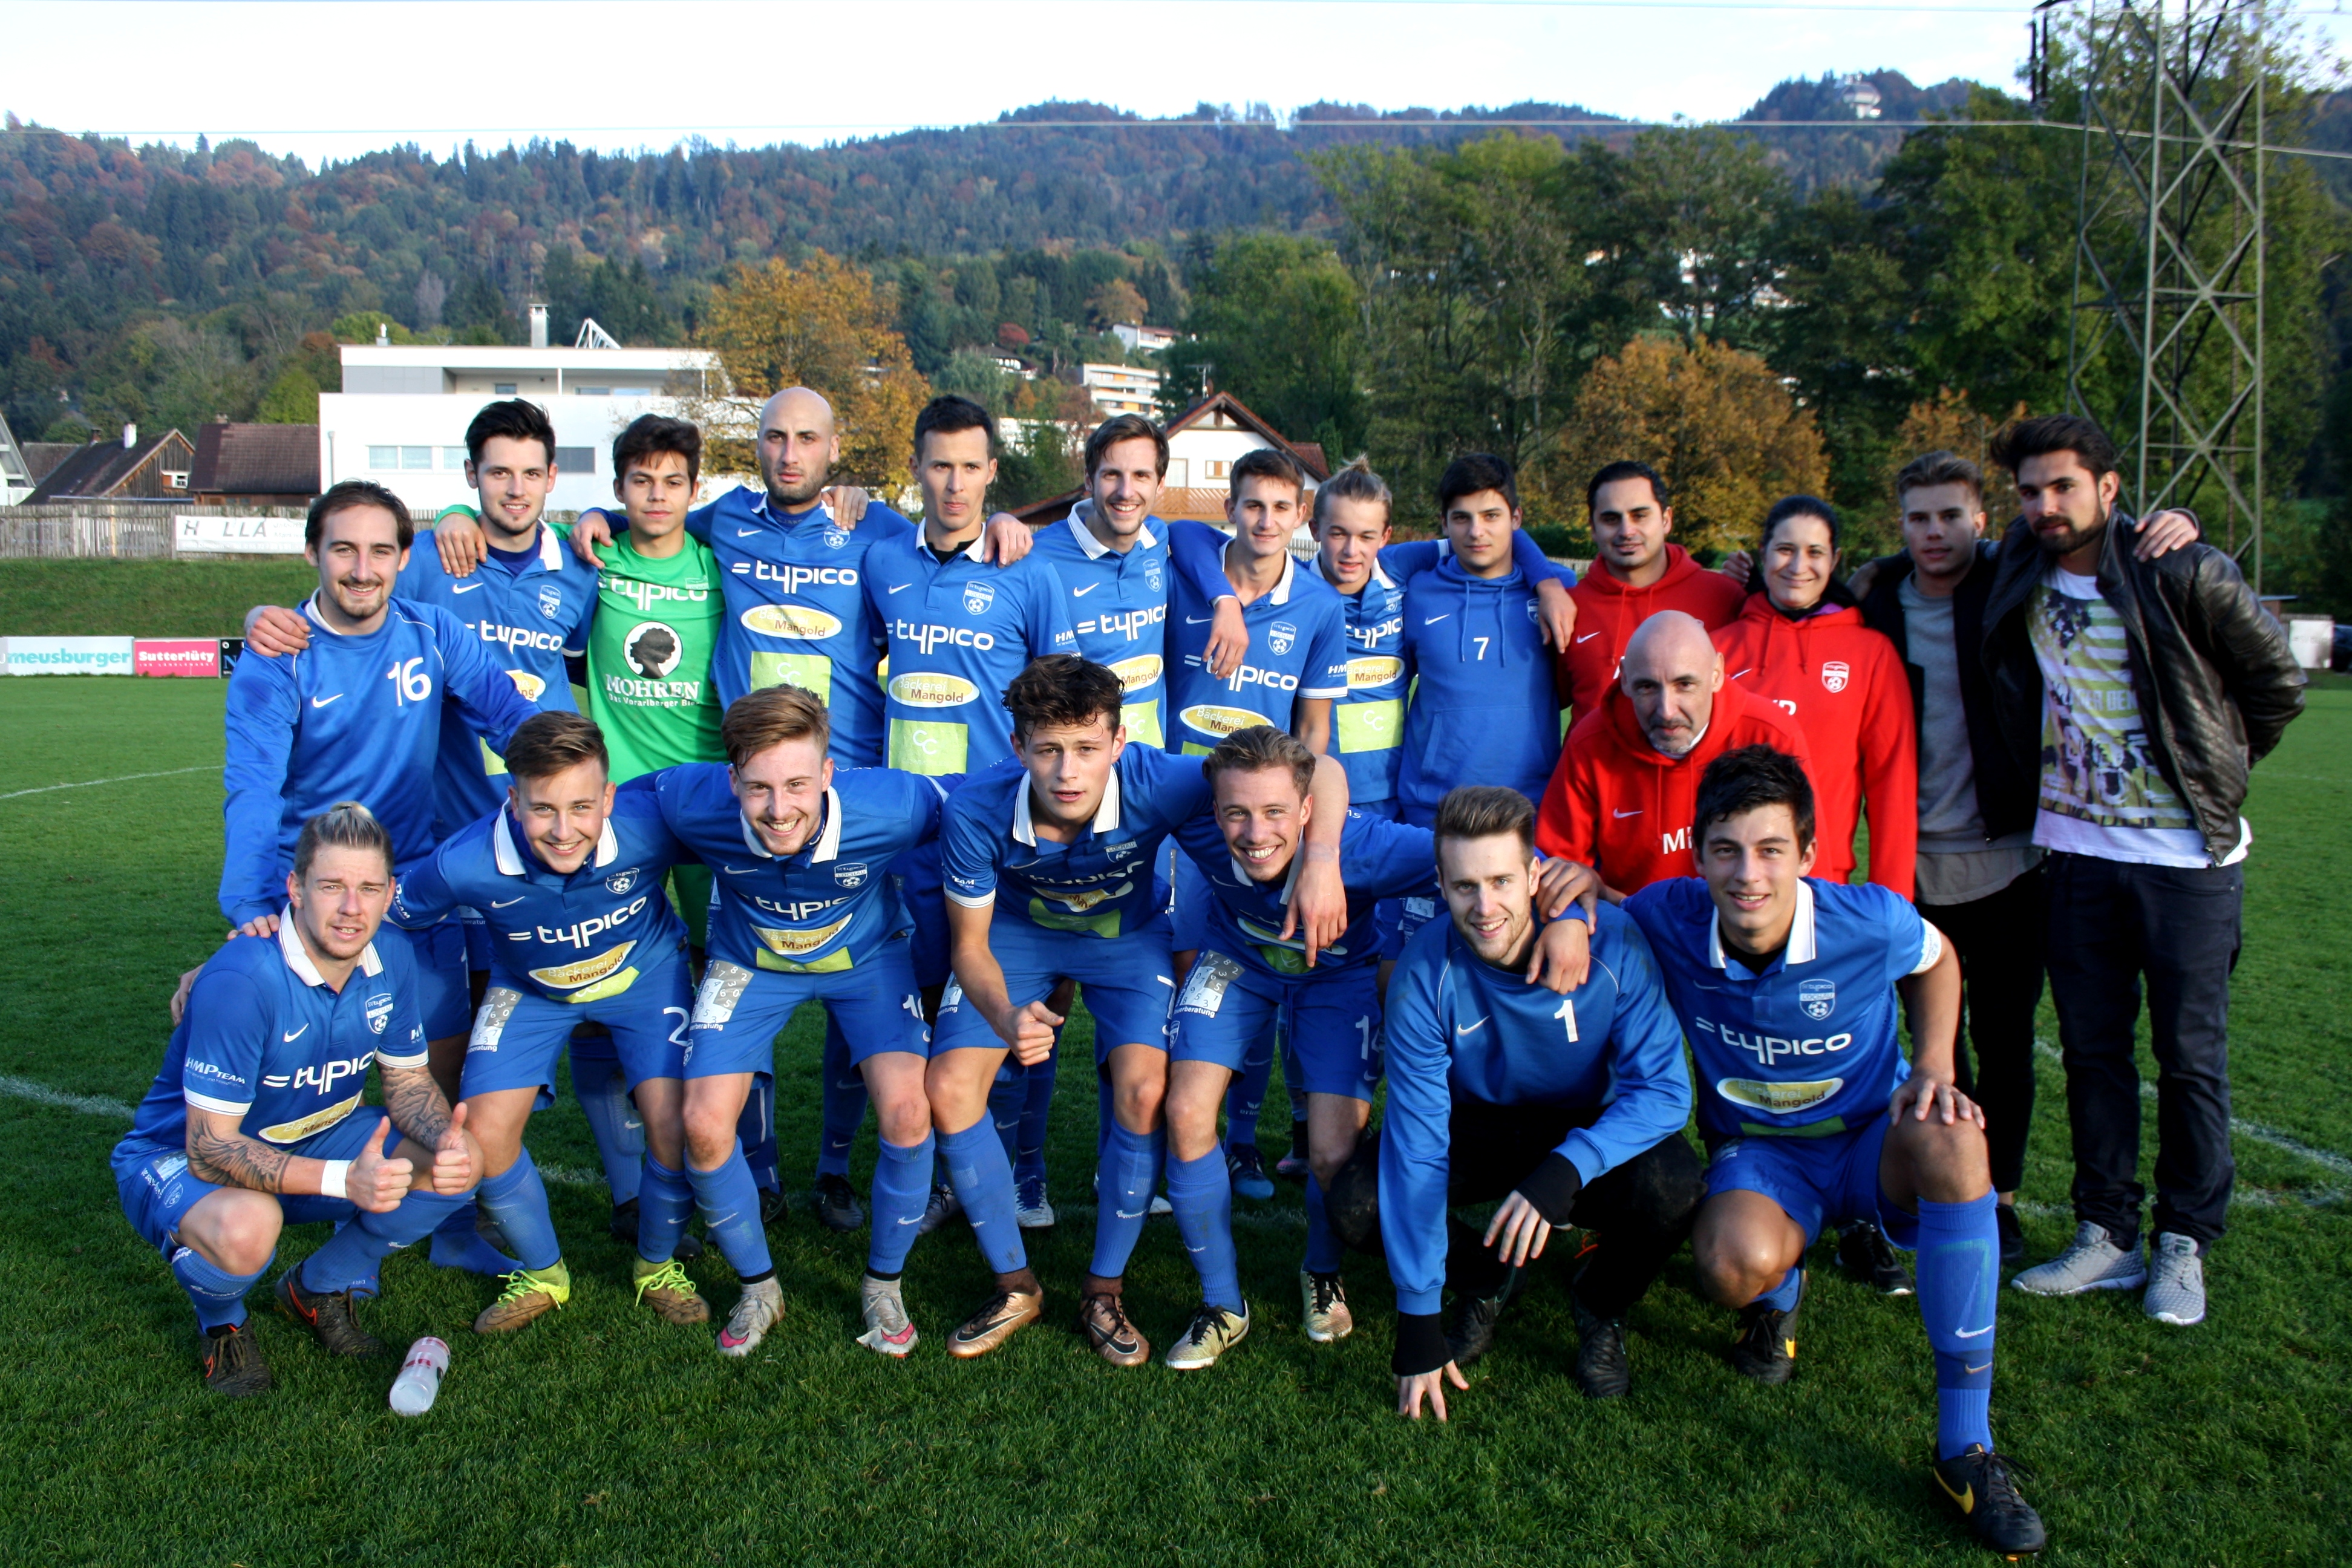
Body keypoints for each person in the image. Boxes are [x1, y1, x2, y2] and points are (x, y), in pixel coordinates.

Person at [1623, 746, 2045, 1556]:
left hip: (1870, 1142)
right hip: (1761, 1156)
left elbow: (1938, 957)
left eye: (1771, 850)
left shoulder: (1867, 920)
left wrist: (1932, 1068)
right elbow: (1600, 918)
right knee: (1724, 1267)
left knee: (1958, 1139)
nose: (1749, 874)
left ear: (1809, 855)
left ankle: (1966, 1449)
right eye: (1727, 850)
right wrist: (1571, 897)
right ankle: (1779, 1288)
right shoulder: (1664, 915)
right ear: (1698, 853)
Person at [933, 657, 1353, 1364]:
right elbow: (969, 945)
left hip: (1127, 940)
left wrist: (1322, 860)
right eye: (1049, 750)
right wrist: (1007, 1017)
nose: (1069, 770)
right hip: (1016, 940)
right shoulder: (975, 809)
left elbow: (1319, 770)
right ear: (1018, 749)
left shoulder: (1161, 780)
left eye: (1088, 749)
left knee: (1147, 1090)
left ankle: (1104, 1289)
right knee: (947, 1090)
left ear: (1120, 744)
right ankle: (1015, 1285)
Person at [1985, 415, 2305, 1327]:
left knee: (2190, 1060)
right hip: (2077, 858)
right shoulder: (2018, 563)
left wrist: (2219, 772)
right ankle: (2105, 1232)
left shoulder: (2182, 567)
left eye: (2063, 488)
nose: (2045, 506)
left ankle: (2184, 1243)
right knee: (2093, 1056)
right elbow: (1921, 559)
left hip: (2187, 865)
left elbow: (2277, 684)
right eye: (2030, 491)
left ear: (2109, 489)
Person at [1165, 732, 1596, 1366]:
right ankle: (1222, 1303)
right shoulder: (1189, 811)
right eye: (1236, 813)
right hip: (1238, 963)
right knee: (1185, 1114)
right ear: (1213, 807)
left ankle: (1321, 1272)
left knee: (1334, 1153)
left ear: (1308, 810)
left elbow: (1490, 867)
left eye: (1275, 812)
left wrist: (1565, 916)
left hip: (1335, 976)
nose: (1255, 832)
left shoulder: (1369, 848)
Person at [218, 479, 537, 1275]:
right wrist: (256, 903)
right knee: (298, 1080)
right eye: (344, 550)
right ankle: (269, 1216)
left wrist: (568, 785)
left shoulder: (433, 633)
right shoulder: (277, 660)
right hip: (317, 901)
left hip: (414, 894)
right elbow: (252, 791)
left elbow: (508, 712)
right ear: (313, 555)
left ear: (404, 558)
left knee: (439, 1072)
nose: (363, 569)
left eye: (381, 551)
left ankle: (448, 1232)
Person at [1325, 785, 1705, 1410]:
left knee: (1675, 1186)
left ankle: (1600, 1302)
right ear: (1440, 885)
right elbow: (1419, 1147)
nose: (1485, 906)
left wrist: (1565, 1170)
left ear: (1535, 874)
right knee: (1358, 1204)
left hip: (1584, 1123)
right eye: (1465, 887)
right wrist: (1419, 1322)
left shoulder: (1612, 942)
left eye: (1502, 881)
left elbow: (1664, 1092)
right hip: (1480, 1124)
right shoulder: (1424, 974)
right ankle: (1487, 1277)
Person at [114, 804, 481, 1394]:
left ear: (391, 893)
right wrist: (344, 1181)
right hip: (180, 1158)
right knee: (248, 1225)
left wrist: (444, 1136)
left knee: (457, 1164)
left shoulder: (394, 957)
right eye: (332, 886)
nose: (351, 909)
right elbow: (210, 1149)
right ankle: (223, 1325)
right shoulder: (242, 980)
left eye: (368, 888)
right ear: (296, 887)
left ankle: (313, 1288)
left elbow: (409, 1084)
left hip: (310, 1137)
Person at [645, 685, 948, 1357]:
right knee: (701, 1123)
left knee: (908, 1111)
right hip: (748, 965)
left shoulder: (894, 804)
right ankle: (760, 1287)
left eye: (797, 785)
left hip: (868, 960)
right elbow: (601, 810)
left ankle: (884, 1283)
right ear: (731, 781)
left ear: (830, 774)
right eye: (757, 789)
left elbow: (984, 812)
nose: (779, 810)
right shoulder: (691, 800)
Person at [385, 713, 707, 1333]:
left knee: (675, 1122)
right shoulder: (462, 862)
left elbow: (747, 825)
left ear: (610, 797)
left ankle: (657, 1266)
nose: (565, 831)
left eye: (583, 806)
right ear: (513, 800)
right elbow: (388, 916)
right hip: (529, 991)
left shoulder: (650, 824)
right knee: (482, 1134)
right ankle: (543, 1273)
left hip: (644, 980)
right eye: (542, 810)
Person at [1714, 495, 1916, 896]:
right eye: (1785, 550)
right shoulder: (1718, 649)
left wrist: (1894, 905)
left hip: (1823, 884)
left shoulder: (1870, 653)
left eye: (1814, 552)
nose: (1797, 566)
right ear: (1763, 552)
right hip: (1728, 882)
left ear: (1835, 559)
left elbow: (1893, 787)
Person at [1534, 609, 1810, 898]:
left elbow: (1807, 872)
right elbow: (1560, 868)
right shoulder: (1591, 743)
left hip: (1746, 928)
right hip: (1633, 927)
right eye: (1647, 687)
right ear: (1625, 679)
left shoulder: (1772, 735)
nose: (1666, 710)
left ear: (1716, 674)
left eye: (1685, 685)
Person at [1394, 453, 1569, 824]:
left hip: (1530, 805)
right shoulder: (1416, 592)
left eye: (1492, 516)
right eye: (1462, 518)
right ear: (1443, 522)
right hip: (1433, 806)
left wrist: (1546, 583)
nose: (1477, 532)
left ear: (1516, 520)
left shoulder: (1559, 590)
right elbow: (1358, 558)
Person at [1556, 460, 1746, 721]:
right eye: (1611, 519)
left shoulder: (1725, 597)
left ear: (1667, 519)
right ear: (1593, 528)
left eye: (1640, 515)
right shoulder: (1568, 608)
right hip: (1597, 762)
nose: (1626, 531)